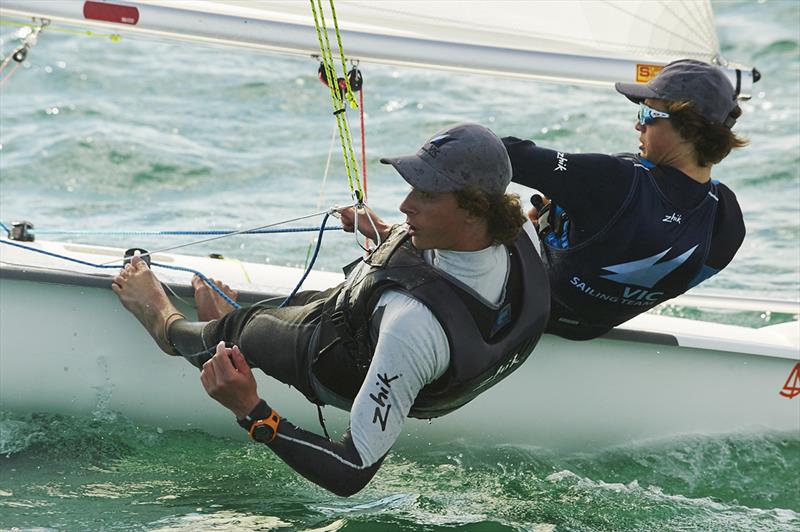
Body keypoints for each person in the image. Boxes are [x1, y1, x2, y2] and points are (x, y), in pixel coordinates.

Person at [112, 123, 550, 496]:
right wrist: (386, 232)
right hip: (370, 317)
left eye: (426, 196)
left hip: (337, 361)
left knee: (251, 326)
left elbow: (351, 471)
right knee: (330, 297)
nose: (405, 205)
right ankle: (226, 321)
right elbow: (460, 268)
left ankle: (166, 322)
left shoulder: (412, 327)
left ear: (473, 210)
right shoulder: (519, 234)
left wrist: (252, 411)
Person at [501, 59, 748, 340]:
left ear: (690, 131)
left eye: (646, 114)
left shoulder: (616, 181)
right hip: (585, 330)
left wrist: (545, 232)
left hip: (512, 314)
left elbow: (496, 152)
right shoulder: (726, 223)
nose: (637, 125)